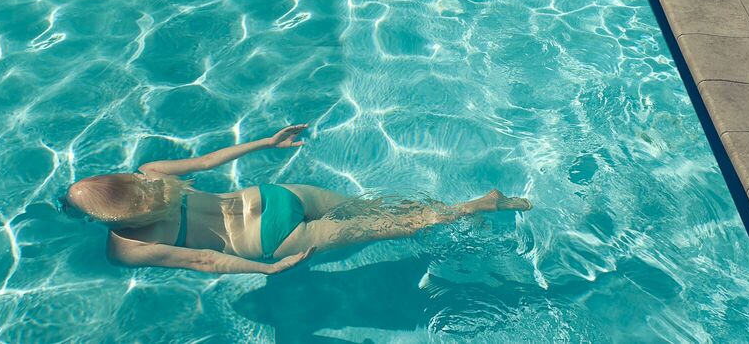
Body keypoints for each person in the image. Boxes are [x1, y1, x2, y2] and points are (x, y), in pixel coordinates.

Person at [59, 123, 532, 275]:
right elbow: (208, 162)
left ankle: (477, 206)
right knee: (372, 211)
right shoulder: (152, 173)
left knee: (396, 226)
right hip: (277, 195)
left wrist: (267, 269)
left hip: (276, 236)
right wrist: (266, 143)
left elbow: (205, 258)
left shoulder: (123, 246)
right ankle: (473, 203)